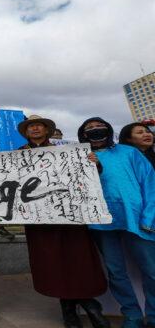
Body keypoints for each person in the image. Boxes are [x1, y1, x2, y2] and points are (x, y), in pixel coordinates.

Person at [17, 116, 108, 328]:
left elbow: (90, 176)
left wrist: (94, 163)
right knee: (53, 264)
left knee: (79, 261)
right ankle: (71, 312)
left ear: (48, 130)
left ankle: (89, 305)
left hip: (70, 217)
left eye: (40, 125)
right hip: (40, 221)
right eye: (31, 126)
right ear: (26, 132)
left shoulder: (68, 150)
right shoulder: (16, 155)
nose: (36, 128)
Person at [79, 117, 155, 328]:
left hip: (137, 220)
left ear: (109, 129)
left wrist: (148, 217)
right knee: (116, 272)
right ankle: (132, 315)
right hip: (100, 222)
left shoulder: (129, 152)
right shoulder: (79, 158)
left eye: (99, 126)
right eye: (89, 128)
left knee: (151, 270)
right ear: (83, 134)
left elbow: (150, 184)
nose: (95, 130)